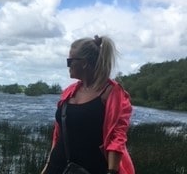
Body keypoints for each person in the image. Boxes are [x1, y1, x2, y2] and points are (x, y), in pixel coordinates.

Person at [41, 35, 135, 174]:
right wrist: (47, 166)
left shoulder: (112, 93)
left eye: (70, 61)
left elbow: (117, 137)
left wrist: (112, 172)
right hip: (57, 167)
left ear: (83, 63)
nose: (68, 65)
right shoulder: (69, 92)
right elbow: (59, 134)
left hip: (92, 168)